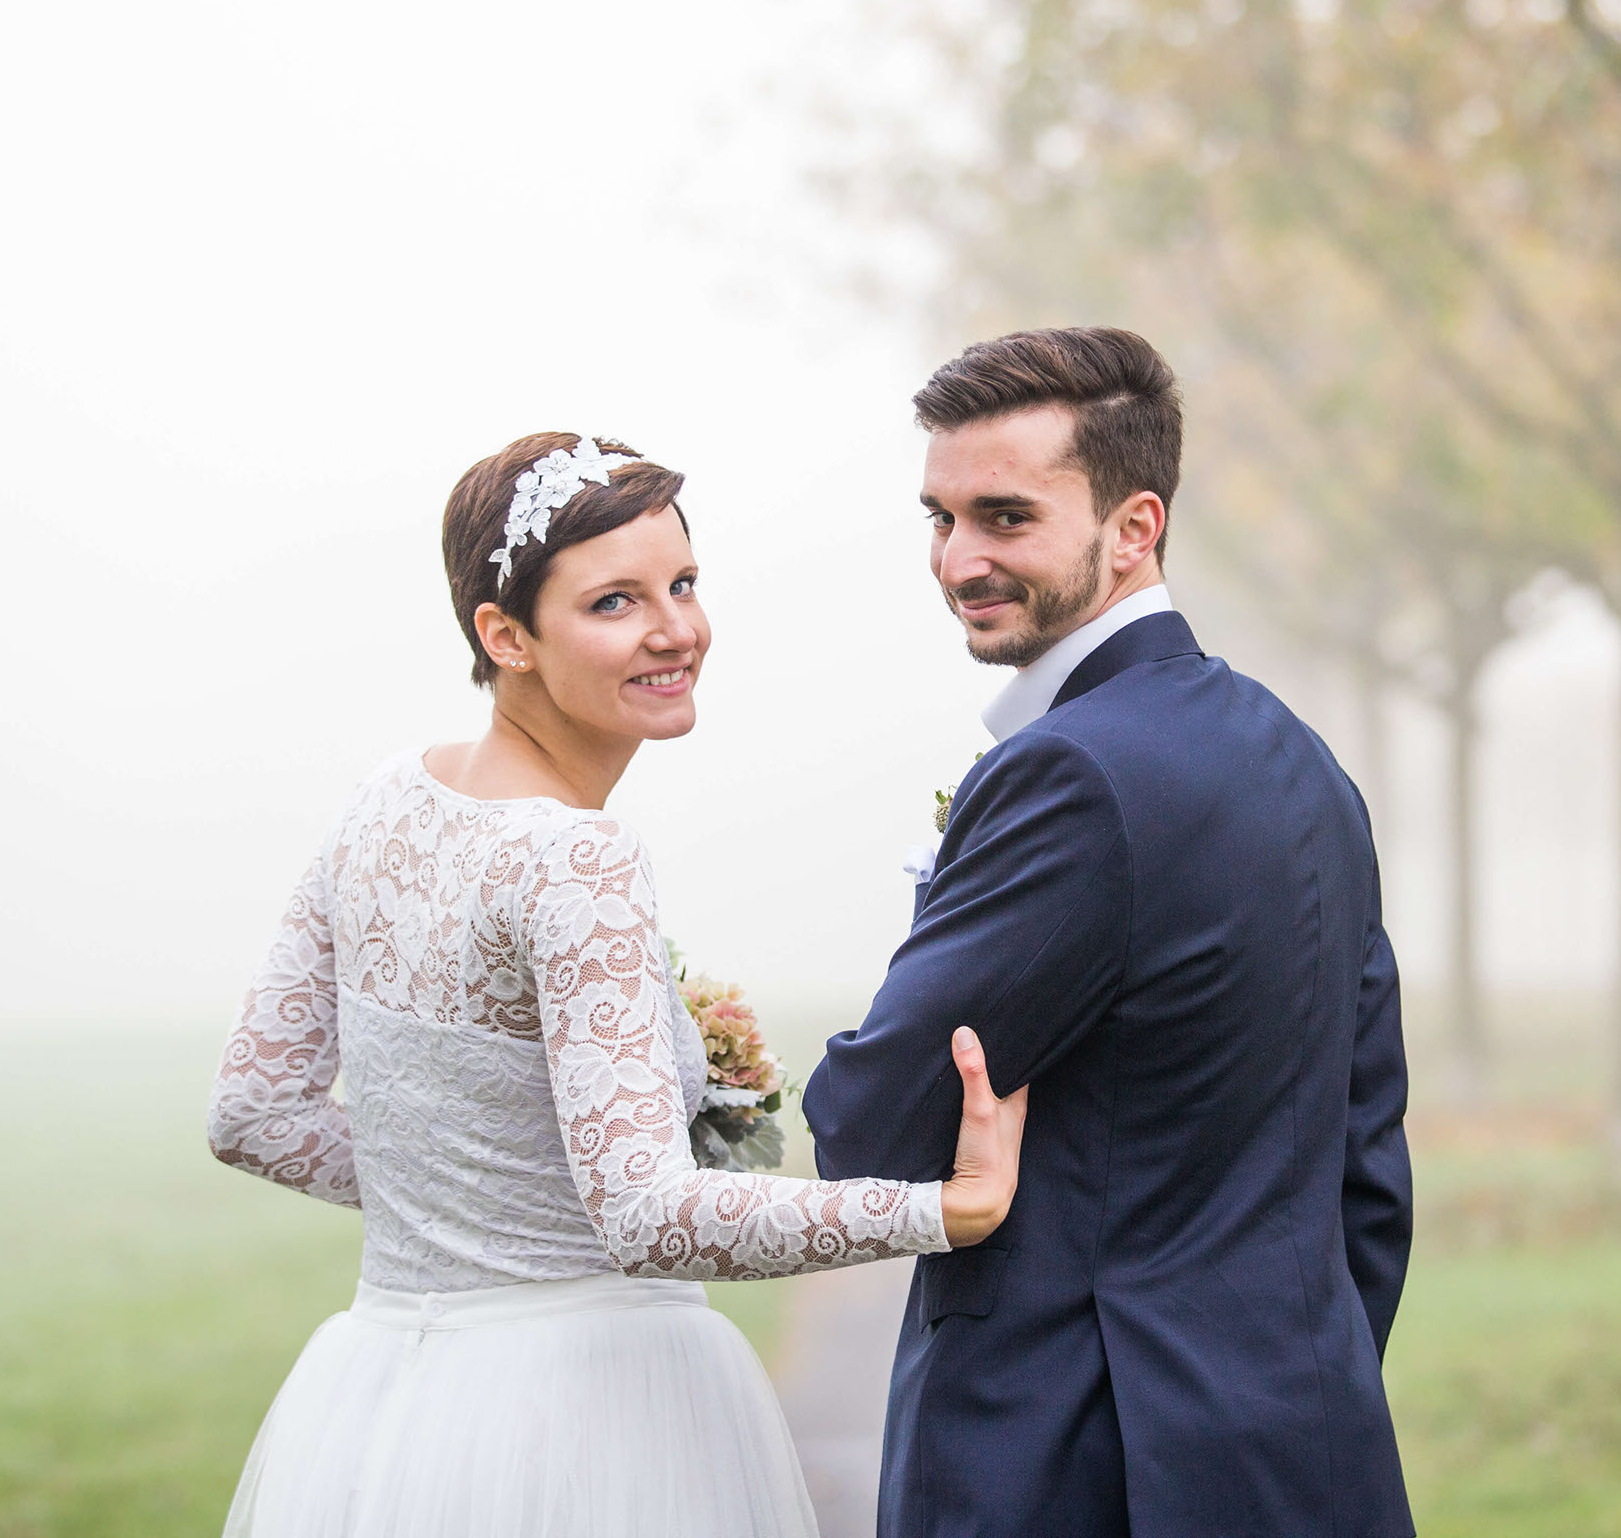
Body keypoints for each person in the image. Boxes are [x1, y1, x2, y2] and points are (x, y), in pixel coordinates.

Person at [206, 432, 1028, 1538]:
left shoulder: (384, 802)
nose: (674, 629)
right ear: (506, 636)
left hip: (389, 1412)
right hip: (583, 1417)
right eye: (614, 602)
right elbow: (648, 1215)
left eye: (682, 583)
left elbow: (252, 1111)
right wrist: (948, 1208)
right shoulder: (576, 858)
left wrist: (469, 1203)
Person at [803, 328, 1417, 1538]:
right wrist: (1290, 1379)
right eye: (939, 517)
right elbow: (1366, 1161)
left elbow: (867, 1127)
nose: (957, 558)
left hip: (1071, 1461)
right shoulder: (1304, 765)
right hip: (1305, 1455)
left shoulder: (1067, 776)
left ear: (1136, 526)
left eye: (1005, 516)